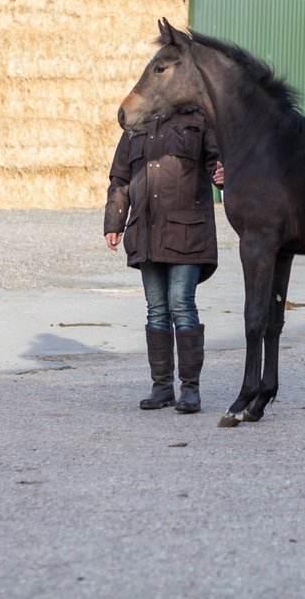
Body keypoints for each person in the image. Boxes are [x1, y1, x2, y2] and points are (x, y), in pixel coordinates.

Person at [104, 109, 223, 413]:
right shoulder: (136, 123)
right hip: (146, 231)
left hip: (187, 233)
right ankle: (162, 388)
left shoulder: (199, 120)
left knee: (181, 303)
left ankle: (190, 390)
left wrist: (224, 174)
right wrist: (114, 221)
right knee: (156, 310)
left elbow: (218, 164)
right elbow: (120, 176)